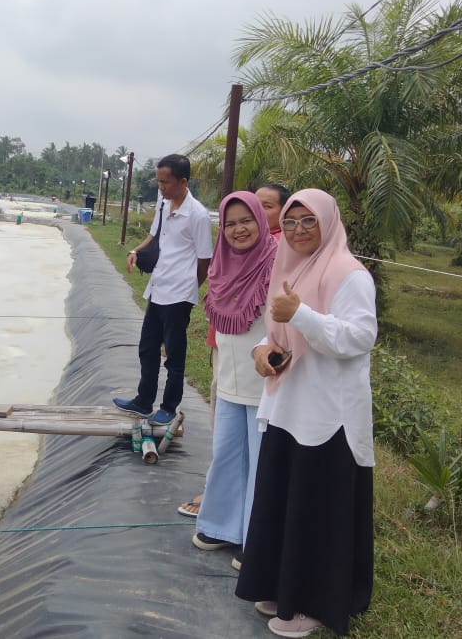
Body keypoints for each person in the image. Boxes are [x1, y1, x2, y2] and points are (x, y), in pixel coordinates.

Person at [235, 189, 377, 638]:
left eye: (308, 221)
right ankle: (282, 586)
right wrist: (263, 352)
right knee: (284, 502)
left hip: (328, 415)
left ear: (328, 223)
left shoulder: (349, 275)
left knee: (316, 509)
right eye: (291, 222)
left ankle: (314, 604)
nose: (297, 230)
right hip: (288, 406)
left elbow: (358, 338)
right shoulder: (290, 268)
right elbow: (269, 329)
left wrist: (302, 316)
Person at [179, 183, 290, 520]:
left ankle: (253, 538)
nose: (239, 230)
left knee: (259, 459)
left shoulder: (279, 263)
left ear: (261, 219)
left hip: (263, 383)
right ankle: (220, 525)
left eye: (247, 221)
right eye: (230, 224)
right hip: (228, 378)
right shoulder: (221, 266)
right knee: (226, 451)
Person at [114, 154, 212, 426]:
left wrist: (191, 288)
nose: (161, 187)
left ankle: (169, 406)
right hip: (157, 288)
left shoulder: (198, 215)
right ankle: (144, 401)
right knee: (147, 348)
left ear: (183, 181)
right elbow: (154, 235)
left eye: (165, 182)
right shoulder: (163, 202)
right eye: (158, 181)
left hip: (179, 294)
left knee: (174, 355)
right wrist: (136, 250)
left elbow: (205, 259)